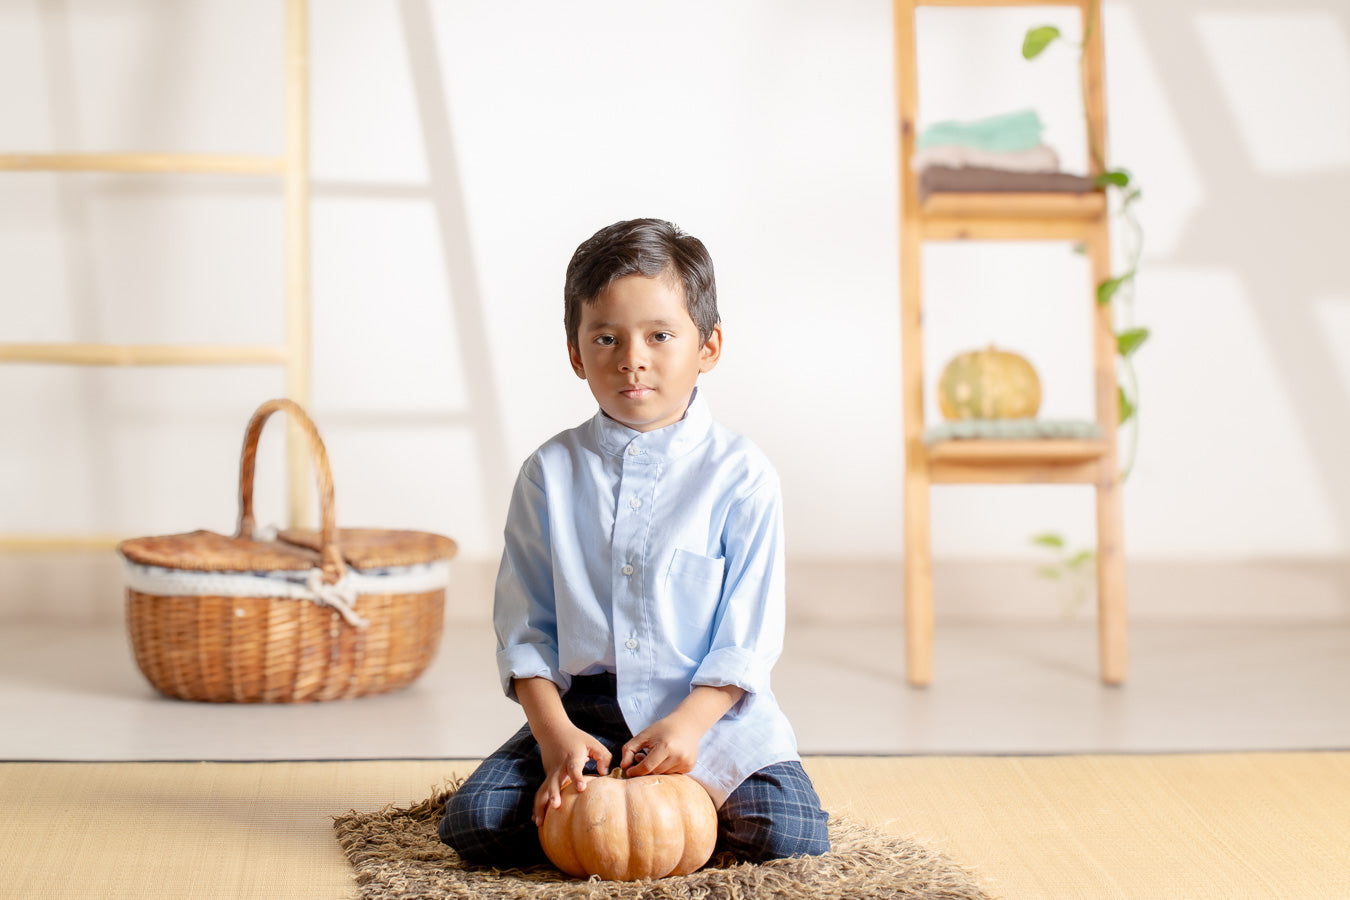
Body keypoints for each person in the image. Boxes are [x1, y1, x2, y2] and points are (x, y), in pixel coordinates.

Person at [438, 217, 830, 869]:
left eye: (659, 335)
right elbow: (525, 630)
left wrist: (690, 725)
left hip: (708, 709)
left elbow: (747, 637)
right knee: (475, 825)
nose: (632, 358)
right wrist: (553, 733)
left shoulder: (741, 474)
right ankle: (607, 815)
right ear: (575, 353)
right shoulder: (548, 474)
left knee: (791, 839)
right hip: (583, 714)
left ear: (708, 347)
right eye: (606, 338)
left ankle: (678, 811)